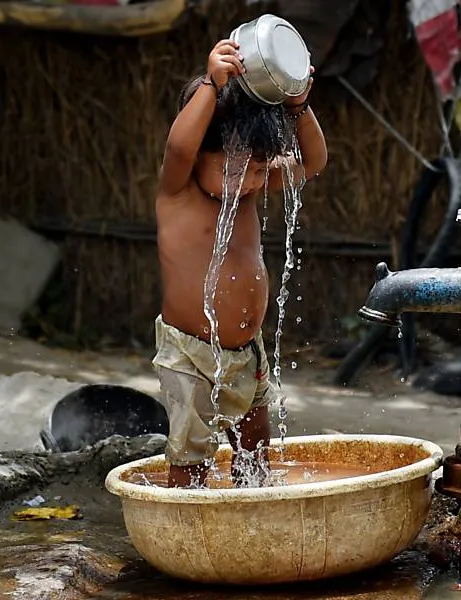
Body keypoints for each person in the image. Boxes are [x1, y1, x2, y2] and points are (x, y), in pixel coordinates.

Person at [153, 37, 328, 488]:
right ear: (200, 160)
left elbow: (313, 161)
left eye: (258, 167)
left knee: (256, 446)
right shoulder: (179, 190)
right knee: (189, 456)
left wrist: (298, 107)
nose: (249, 180)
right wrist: (213, 84)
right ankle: (184, 535)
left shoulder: (251, 186)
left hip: (248, 352)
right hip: (191, 354)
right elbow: (178, 147)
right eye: (235, 168)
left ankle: (252, 521)